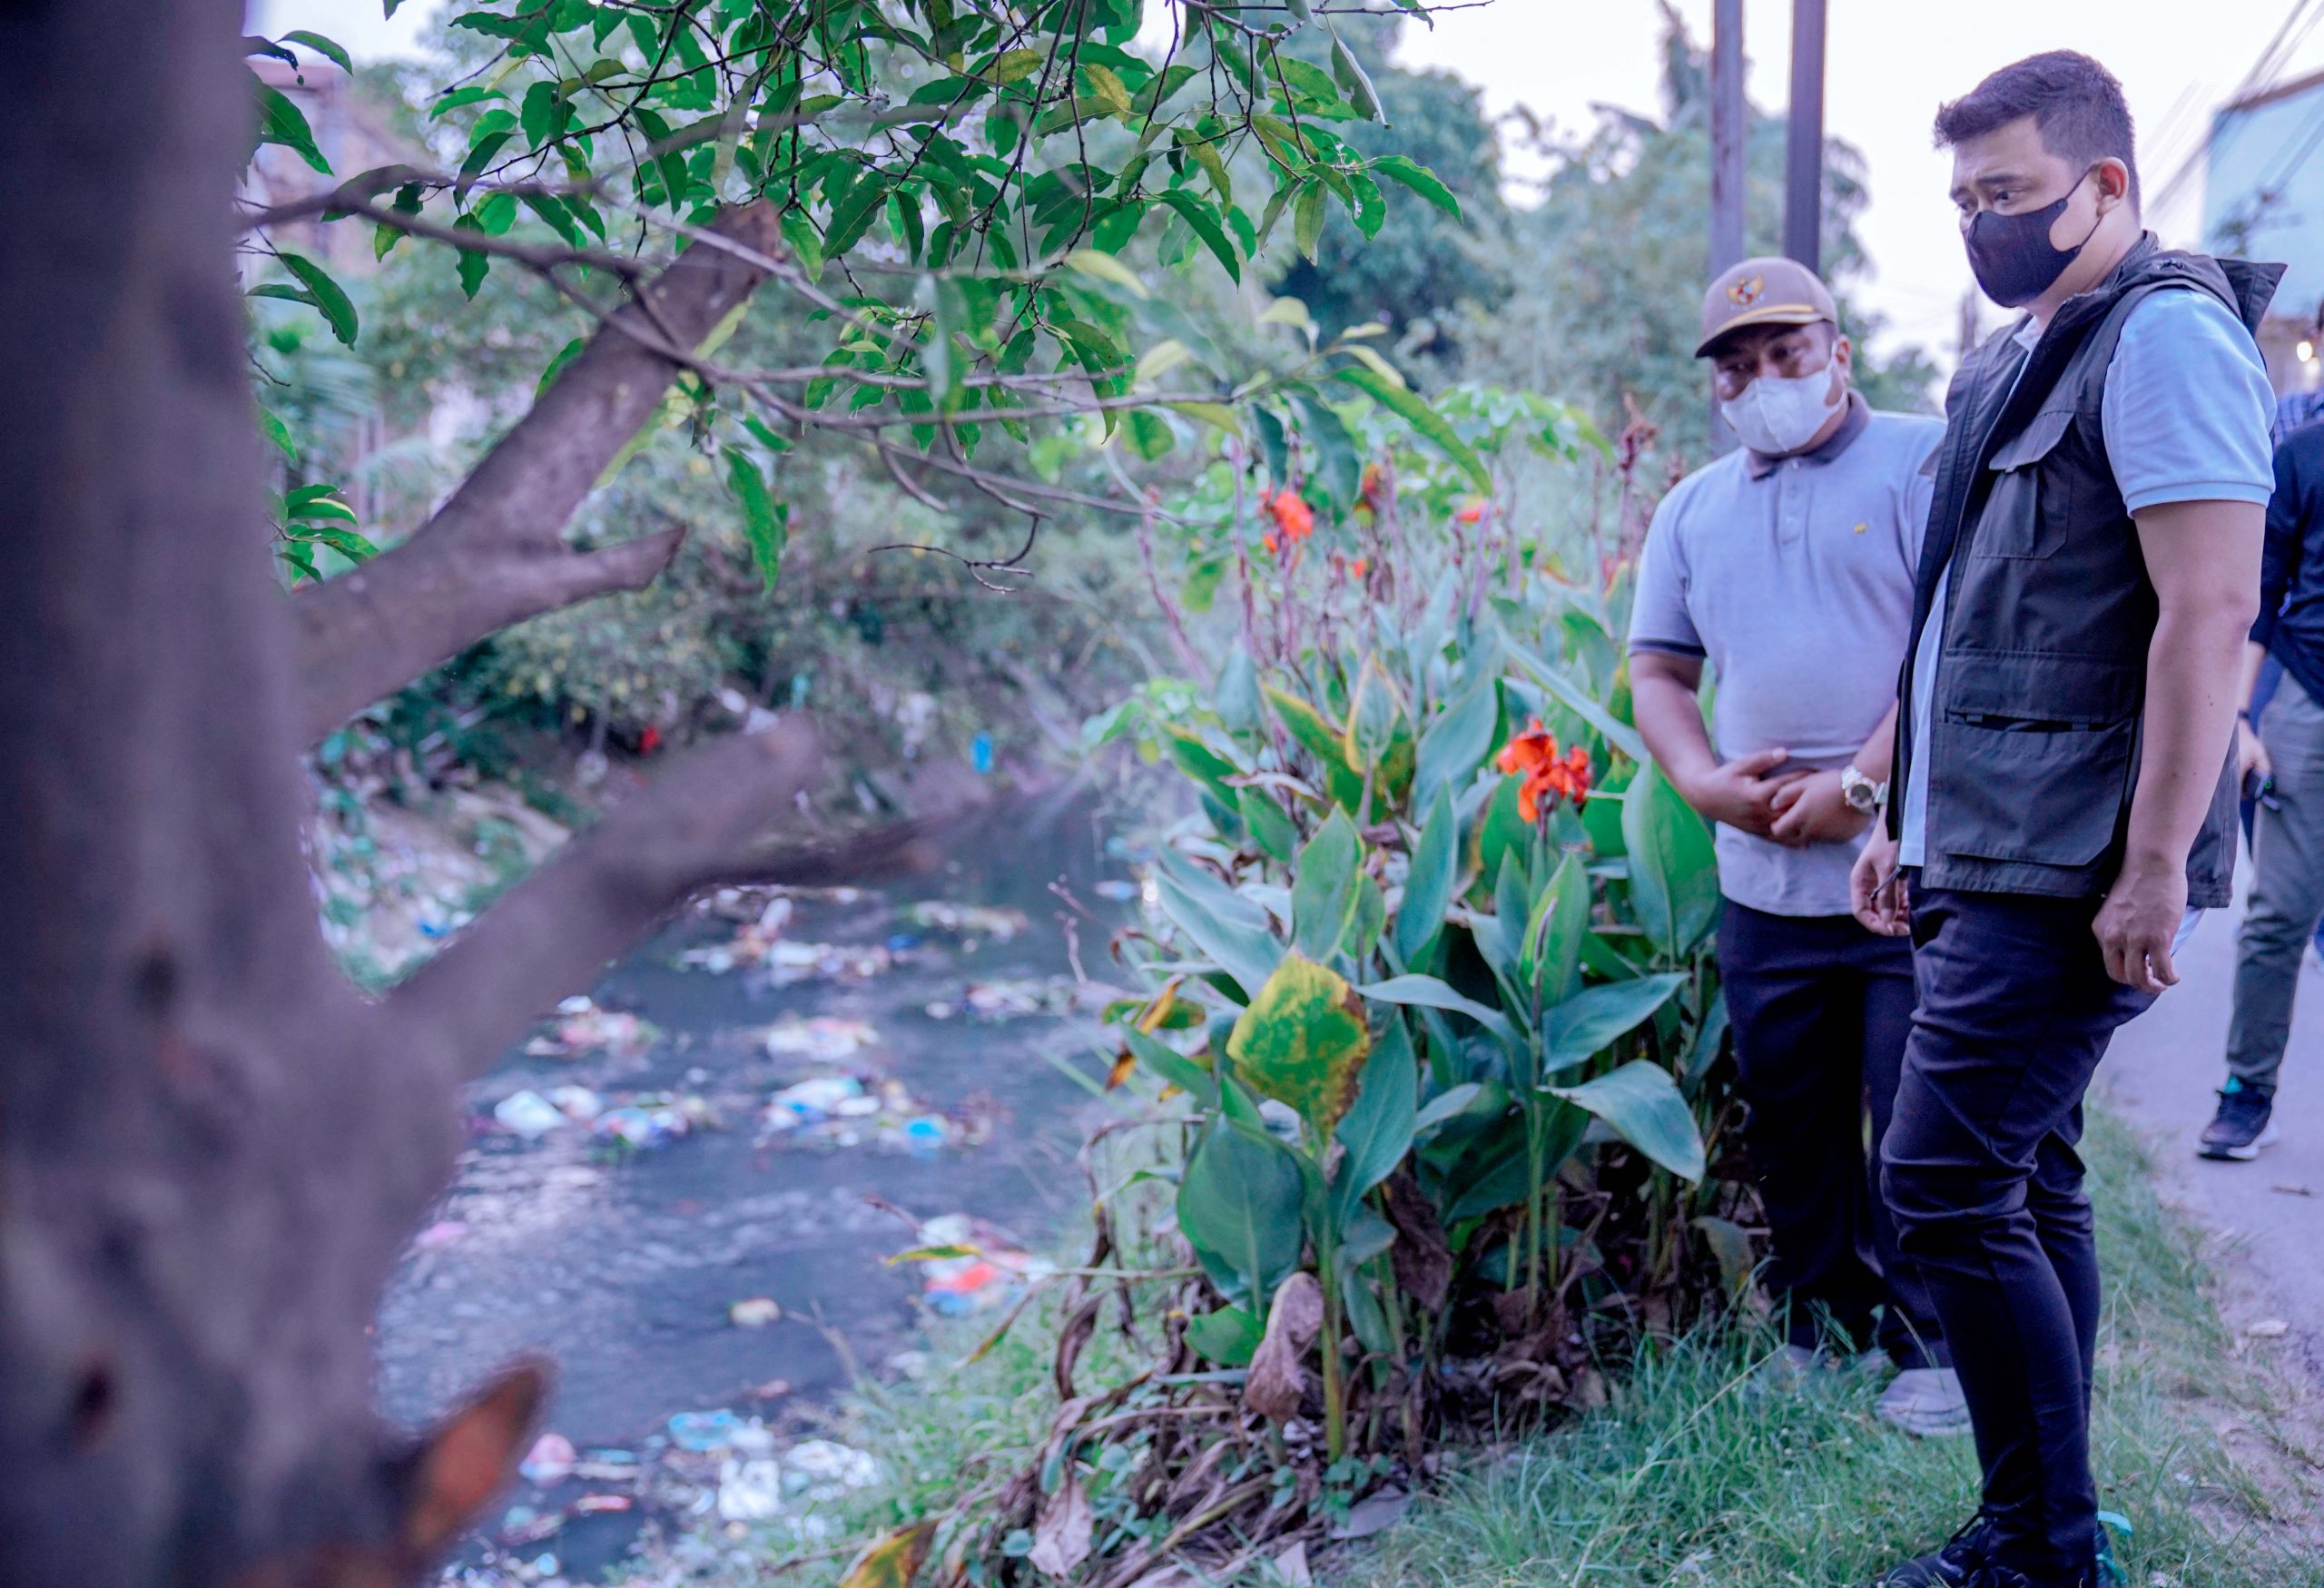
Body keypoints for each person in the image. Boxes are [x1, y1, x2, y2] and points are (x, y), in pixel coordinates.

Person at [1852, 52, 2277, 1588]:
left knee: (1944, 1184)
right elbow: (1957, 613)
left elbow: (2209, 606)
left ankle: (2041, 1545)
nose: (1984, 223)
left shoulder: (2163, 339)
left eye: (2011, 194)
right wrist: (1897, 810)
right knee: (2025, 1177)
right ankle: (2049, 1520)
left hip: (2075, 851)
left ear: (2104, 186)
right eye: (1965, 199)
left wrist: (2155, 863)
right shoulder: (2017, 355)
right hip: (1983, 836)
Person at [1629, 256, 1965, 1437]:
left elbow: (1957, 641)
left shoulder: (1926, 460)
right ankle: (1823, 1326)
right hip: (1761, 880)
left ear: (1840, 351)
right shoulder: (1692, 509)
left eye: (1785, 356)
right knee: (1793, 1119)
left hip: (1908, 871)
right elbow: (1660, 668)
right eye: (1738, 366)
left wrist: (1864, 782)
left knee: (1914, 1115)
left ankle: (1932, 1344)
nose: (1762, 382)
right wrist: (1698, 779)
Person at [2200, 412, 2324, 1160]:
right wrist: (2240, 718)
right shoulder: (2300, 456)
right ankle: (2248, 1094)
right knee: (2279, 911)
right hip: (2306, 698)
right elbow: (2259, 594)